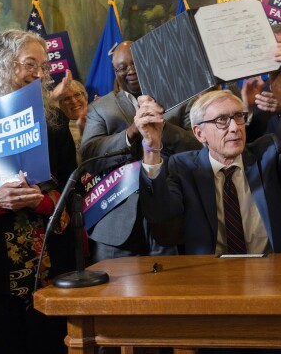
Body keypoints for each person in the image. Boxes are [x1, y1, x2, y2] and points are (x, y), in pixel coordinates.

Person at [137, 44, 281, 255]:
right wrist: (152, 146)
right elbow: (159, 212)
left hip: (276, 269)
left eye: (239, 116)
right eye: (221, 120)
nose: (234, 127)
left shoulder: (266, 154)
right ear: (199, 134)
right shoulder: (184, 168)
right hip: (212, 276)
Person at [0, 30, 76, 354]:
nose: (39, 74)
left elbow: (72, 185)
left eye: (43, 66)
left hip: (49, 266)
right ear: (2, 65)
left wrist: (44, 202)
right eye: (29, 64)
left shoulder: (55, 123)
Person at [80, 40, 201, 262]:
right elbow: (89, 156)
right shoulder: (100, 108)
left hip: (170, 217)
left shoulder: (181, 99)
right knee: (114, 295)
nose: (131, 71)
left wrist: (161, 126)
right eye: (122, 67)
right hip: (115, 222)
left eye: (135, 63)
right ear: (115, 72)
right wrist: (132, 131)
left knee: (170, 293)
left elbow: (198, 150)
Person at [243, 23, 281, 147]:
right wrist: (247, 109)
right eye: (271, 47)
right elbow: (249, 140)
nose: (276, 52)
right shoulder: (257, 89)